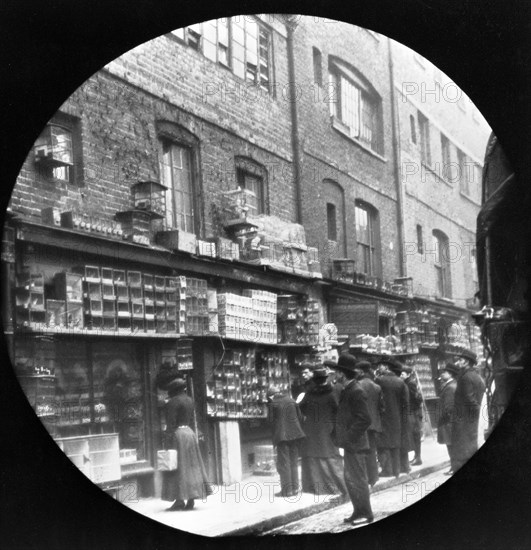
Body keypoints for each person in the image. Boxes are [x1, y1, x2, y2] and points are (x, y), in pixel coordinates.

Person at [331, 353, 373, 525]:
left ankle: (366, 513)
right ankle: (358, 510)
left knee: (358, 480)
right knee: (350, 480)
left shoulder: (356, 391)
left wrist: (348, 438)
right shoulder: (348, 389)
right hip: (350, 444)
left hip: (355, 444)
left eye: (336, 372)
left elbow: (364, 419)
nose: (334, 375)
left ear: (342, 374)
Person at [161, 378, 211, 511]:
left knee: (178, 467)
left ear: (173, 390)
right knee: (192, 466)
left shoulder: (172, 402)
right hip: (189, 433)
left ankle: (179, 500)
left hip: (178, 435)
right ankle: (191, 498)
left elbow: (171, 424)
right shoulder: (189, 400)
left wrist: (167, 441)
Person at [299, 367, 347, 496]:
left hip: (311, 429)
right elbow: (339, 411)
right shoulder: (332, 393)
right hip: (328, 429)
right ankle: (335, 487)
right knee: (329, 457)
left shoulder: (309, 393)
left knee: (313, 457)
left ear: (315, 380)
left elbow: (301, 408)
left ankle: (316, 488)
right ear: (325, 379)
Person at [450, 350, 486, 473]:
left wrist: (479, 415)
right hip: (471, 421)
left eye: (460, 360)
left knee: (461, 453)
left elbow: (469, 400)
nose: (458, 362)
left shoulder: (465, 378)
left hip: (464, 421)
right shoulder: (477, 376)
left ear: (467, 362)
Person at [268, 385, 306, 497]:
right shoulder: (291, 400)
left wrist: (274, 435)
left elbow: (270, 421)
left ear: (271, 395)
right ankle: (295, 488)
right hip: (295, 435)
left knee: (284, 463)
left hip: (282, 437)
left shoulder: (273, 403)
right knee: (294, 461)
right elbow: (300, 417)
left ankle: (287, 491)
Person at [375, 359, 409, 478]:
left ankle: (387, 470)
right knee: (395, 443)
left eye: (381, 365)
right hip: (397, 418)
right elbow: (405, 403)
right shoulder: (401, 382)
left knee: (384, 445)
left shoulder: (379, 381)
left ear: (386, 367)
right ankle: (397, 470)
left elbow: (377, 400)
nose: (379, 368)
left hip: (384, 417)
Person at [355, 360, 384, 487]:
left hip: (361, 423)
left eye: (356, 370)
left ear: (361, 371)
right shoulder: (376, 386)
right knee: (372, 450)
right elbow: (382, 407)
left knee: (361, 451)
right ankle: (373, 477)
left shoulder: (357, 385)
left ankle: (365, 477)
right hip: (374, 424)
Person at [437, 362, 459, 475]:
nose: (442, 374)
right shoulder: (452, 385)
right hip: (451, 422)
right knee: (452, 445)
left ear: (450, 374)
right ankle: (453, 466)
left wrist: (442, 417)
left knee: (451, 446)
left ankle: (455, 467)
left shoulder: (450, 387)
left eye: (444, 372)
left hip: (448, 422)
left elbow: (448, 407)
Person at [401, 366, 424, 466]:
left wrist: (412, 408)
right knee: (414, 435)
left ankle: (418, 457)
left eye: (403, 374)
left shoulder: (410, 383)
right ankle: (416, 457)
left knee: (415, 435)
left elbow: (416, 398)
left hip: (413, 412)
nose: (401, 375)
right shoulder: (408, 382)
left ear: (408, 374)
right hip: (412, 412)